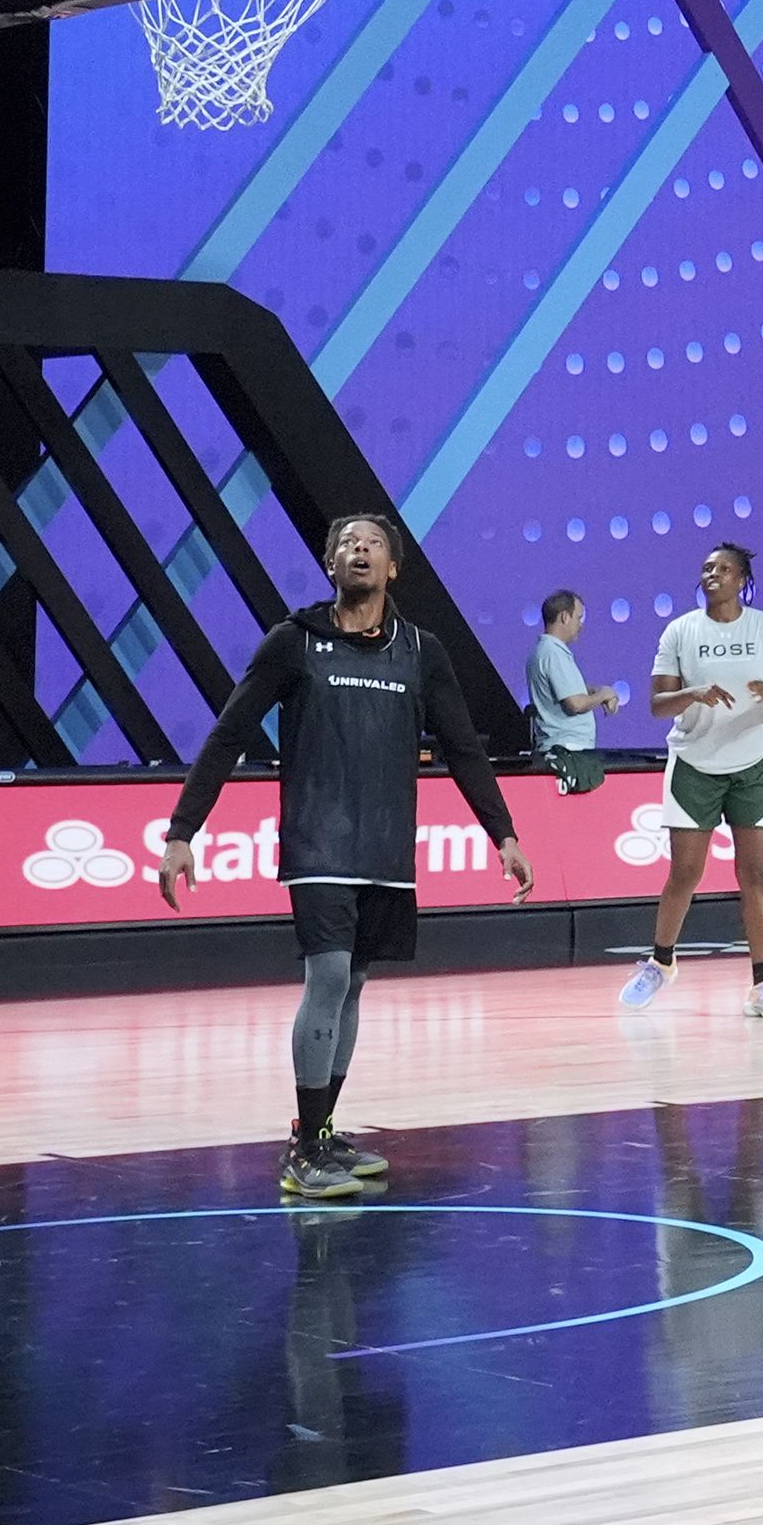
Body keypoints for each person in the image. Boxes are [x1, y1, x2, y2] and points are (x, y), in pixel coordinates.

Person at [160, 512, 537, 1201]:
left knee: (356, 983)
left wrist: (503, 834)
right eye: (346, 545)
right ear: (331, 566)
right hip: (318, 845)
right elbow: (229, 734)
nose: (358, 551)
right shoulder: (293, 643)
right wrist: (183, 831)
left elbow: (462, 747)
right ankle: (304, 1148)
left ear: (393, 569)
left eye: (372, 545)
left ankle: (323, 1129)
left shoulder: (422, 651)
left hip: (386, 850)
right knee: (329, 978)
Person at [626, 543, 763, 1018]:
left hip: (753, 765)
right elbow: (657, 705)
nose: (713, 574)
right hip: (695, 765)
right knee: (685, 873)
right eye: (706, 568)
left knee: (755, 876)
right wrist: (692, 692)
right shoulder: (681, 630)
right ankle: (661, 962)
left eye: (723, 568)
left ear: (743, 578)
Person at [523, 591, 619, 798]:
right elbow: (574, 703)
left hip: (566, 749)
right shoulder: (553, 653)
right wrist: (604, 694)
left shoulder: (545, 651)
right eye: (578, 617)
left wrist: (591, 691)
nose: (581, 624)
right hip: (569, 752)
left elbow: (565, 692)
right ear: (565, 617)